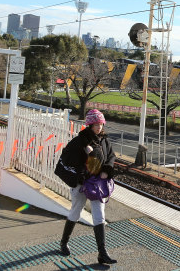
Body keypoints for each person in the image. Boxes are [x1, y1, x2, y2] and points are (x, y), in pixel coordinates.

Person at [58, 109, 117, 264]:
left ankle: (102, 253)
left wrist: (106, 171)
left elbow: (111, 156)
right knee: (75, 212)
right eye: (95, 124)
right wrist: (81, 173)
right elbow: (65, 160)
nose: (99, 127)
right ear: (89, 125)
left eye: (100, 123)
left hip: (97, 185)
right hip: (81, 184)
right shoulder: (80, 141)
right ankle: (64, 242)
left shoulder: (104, 139)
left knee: (99, 216)